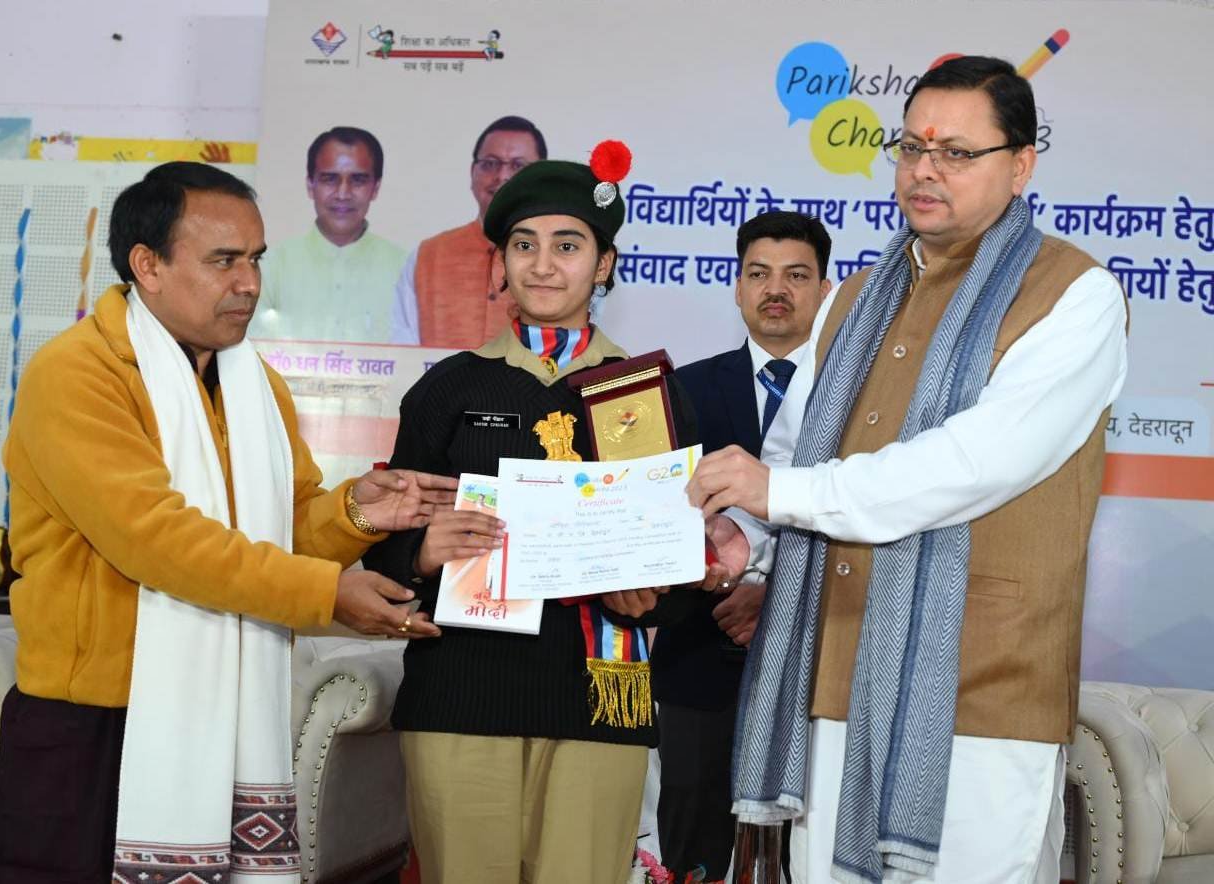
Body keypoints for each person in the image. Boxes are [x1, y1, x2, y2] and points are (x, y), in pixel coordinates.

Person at [687, 56, 1128, 884]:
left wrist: (779, 494)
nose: (926, 170)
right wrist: (747, 539)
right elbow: (798, 454)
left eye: (957, 152)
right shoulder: (853, 299)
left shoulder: (1075, 295)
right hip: (833, 667)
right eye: (913, 147)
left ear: (1021, 165)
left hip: (984, 686)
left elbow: (970, 464)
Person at [0, 161, 451, 883]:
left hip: (223, 713)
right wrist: (326, 595)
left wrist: (357, 511)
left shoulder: (252, 383)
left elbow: (280, 532)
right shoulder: (78, 373)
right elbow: (158, 540)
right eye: (224, 261)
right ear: (148, 265)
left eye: (256, 259)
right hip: (93, 723)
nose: (250, 283)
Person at [364, 151, 703, 884]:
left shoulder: (645, 393)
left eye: (567, 245)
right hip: (460, 694)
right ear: (501, 262)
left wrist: (653, 594)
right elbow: (380, 556)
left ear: (604, 264)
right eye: (524, 245)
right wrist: (420, 553)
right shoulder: (448, 390)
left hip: (597, 702)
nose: (543, 265)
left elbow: (682, 570)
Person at [651, 211, 832, 882]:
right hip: (700, 655)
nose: (775, 290)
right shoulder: (681, 391)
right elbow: (657, 517)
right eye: (759, 274)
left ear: (824, 289)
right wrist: (723, 578)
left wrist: (777, 595)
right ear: (737, 286)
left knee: (800, 856)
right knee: (691, 851)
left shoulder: (860, 397)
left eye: (796, 275)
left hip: (817, 666)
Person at [389, 115, 546, 348]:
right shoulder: (428, 256)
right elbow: (403, 348)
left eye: (518, 166)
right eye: (490, 163)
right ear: (473, 172)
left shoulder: (560, 260)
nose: (502, 176)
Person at [250, 127, 406, 342]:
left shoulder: (404, 271)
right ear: (310, 185)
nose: (343, 194)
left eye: (358, 180)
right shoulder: (271, 267)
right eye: (330, 179)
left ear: (375, 188)